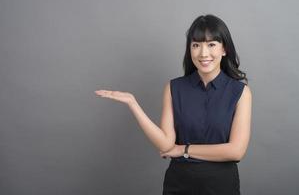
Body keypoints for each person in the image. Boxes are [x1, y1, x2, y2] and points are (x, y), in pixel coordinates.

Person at [95, 14, 252, 195]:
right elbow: (165, 144)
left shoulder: (240, 92)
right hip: (179, 185)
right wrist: (133, 104)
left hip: (222, 186)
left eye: (211, 45)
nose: (203, 53)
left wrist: (183, 149)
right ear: (189, 50)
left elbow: (236, 151)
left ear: (224, 49)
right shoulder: (174, 88)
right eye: (196, 45)